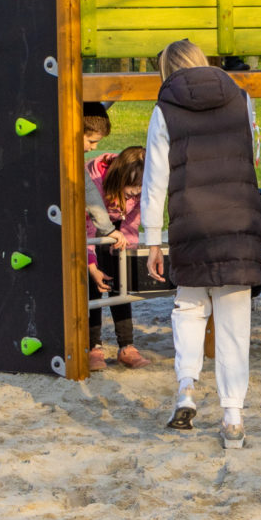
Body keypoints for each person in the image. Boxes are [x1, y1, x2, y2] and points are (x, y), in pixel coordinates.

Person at [141, 40, 261, 448]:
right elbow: (251, 156)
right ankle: (233, 417)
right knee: (234, 321)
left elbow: (155, 180)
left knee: (189, 307)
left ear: (167, 71)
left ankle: (186, 387)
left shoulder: (164, 109)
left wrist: (152, 240)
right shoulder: (241, 100)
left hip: (191, 220)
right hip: (237, 217)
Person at [86, 145, 149, 367]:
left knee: (119, 280)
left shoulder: (139, 190)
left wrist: (126, 257)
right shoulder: (95, 180)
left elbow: (132, 223)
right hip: (89, 229)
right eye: (132, 185)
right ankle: (93, 346)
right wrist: (92, 266)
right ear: (120, 177)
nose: (136, 191)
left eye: (141, 186)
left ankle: (126, 346)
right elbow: (87, 227)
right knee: (93, 284)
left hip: (115, 229)